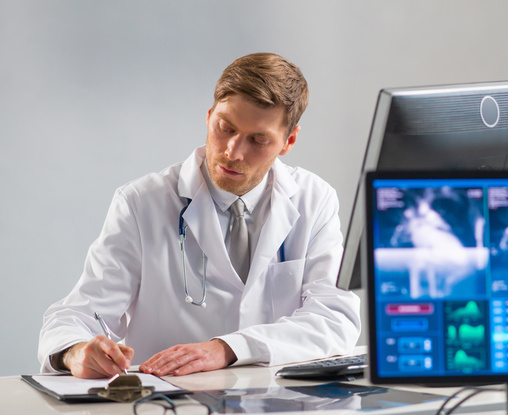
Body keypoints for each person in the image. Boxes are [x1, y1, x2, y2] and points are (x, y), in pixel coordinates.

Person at [38, 52, 361, 379]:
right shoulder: (141, 203)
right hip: (171, 401)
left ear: (288, 141)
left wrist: (227, 348)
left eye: (258, 139)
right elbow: (77, 316)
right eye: (225, 128)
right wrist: (75, 351)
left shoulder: (314, 200)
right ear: (209, 116)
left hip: (277, 400)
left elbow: (334, 320)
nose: (233, 152)